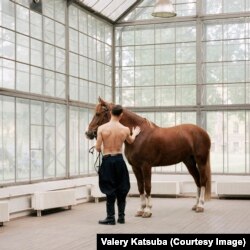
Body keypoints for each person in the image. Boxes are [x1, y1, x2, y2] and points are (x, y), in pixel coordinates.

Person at [95, 104, 141, 225]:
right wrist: (135, 133)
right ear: (121, 115)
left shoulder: (101, 129)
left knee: (109, 189)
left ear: (110, 113)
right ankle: (121, 217)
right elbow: (130, 141)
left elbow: (98, 148)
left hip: (107, 160)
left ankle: (110, 218)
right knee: (122, 188)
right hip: (120, 161)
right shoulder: (125, 129)